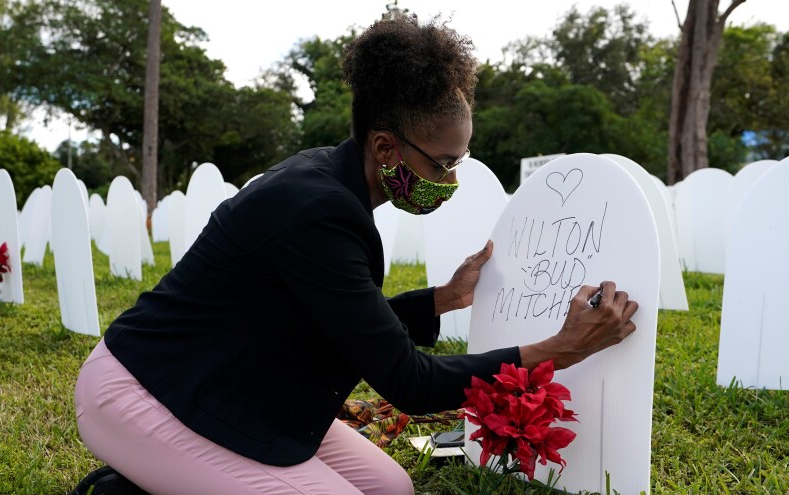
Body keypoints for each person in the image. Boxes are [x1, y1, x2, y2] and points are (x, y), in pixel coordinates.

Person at [70, 13, 638, 495]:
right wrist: (557, 350)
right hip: (148, 390)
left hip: (238, 379)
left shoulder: (335, 181)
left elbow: (341, 317)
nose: (451, 180)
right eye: (442, 164)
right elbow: (410, 383)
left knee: (393, 488)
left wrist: (441, 299)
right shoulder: (314, 208)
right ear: (386, 146)